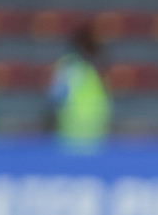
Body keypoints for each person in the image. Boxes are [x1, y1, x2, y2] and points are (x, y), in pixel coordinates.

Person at [46, 23, 111, 151]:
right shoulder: (71, 66)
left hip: (95, 135)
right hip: (71, 135)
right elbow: (57, 95)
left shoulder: (95, 67)